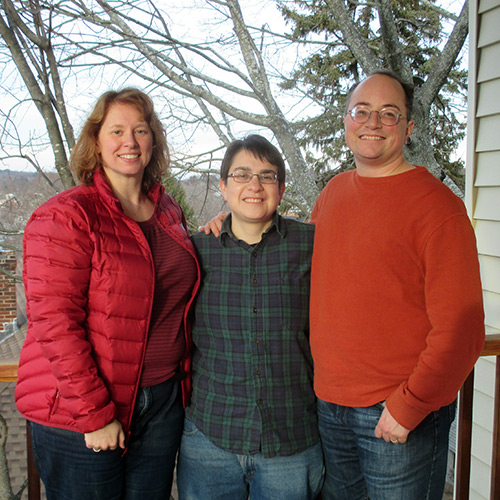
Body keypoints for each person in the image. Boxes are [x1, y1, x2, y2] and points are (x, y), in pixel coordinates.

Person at [15, 88, 200, 500]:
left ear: (154, 140)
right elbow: (55, 325)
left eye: (140, 130)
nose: (130, 141)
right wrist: (95, 414)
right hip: (85, 411)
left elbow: (171, 285)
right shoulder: (67, 215)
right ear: (96, 141)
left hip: (162, 402)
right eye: (116, 130)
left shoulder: (168, 211)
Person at [310, 71, 485, 500]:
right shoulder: (331, 195)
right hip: (329, 408)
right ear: (346, 121)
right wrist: (231, 226)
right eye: (361, 111)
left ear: (408, 128)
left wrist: (408, 407)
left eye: (389, 114)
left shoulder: (438, 208)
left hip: (398, 413)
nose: (372, 122)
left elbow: (462, 329)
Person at [177, 134, 324, 500]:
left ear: (282, 188)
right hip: (210, 438)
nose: (254, 185)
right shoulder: (195, 251)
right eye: (242, 175)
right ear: (224, 187)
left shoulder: (314, 245)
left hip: (291, 439)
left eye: (267, 176)